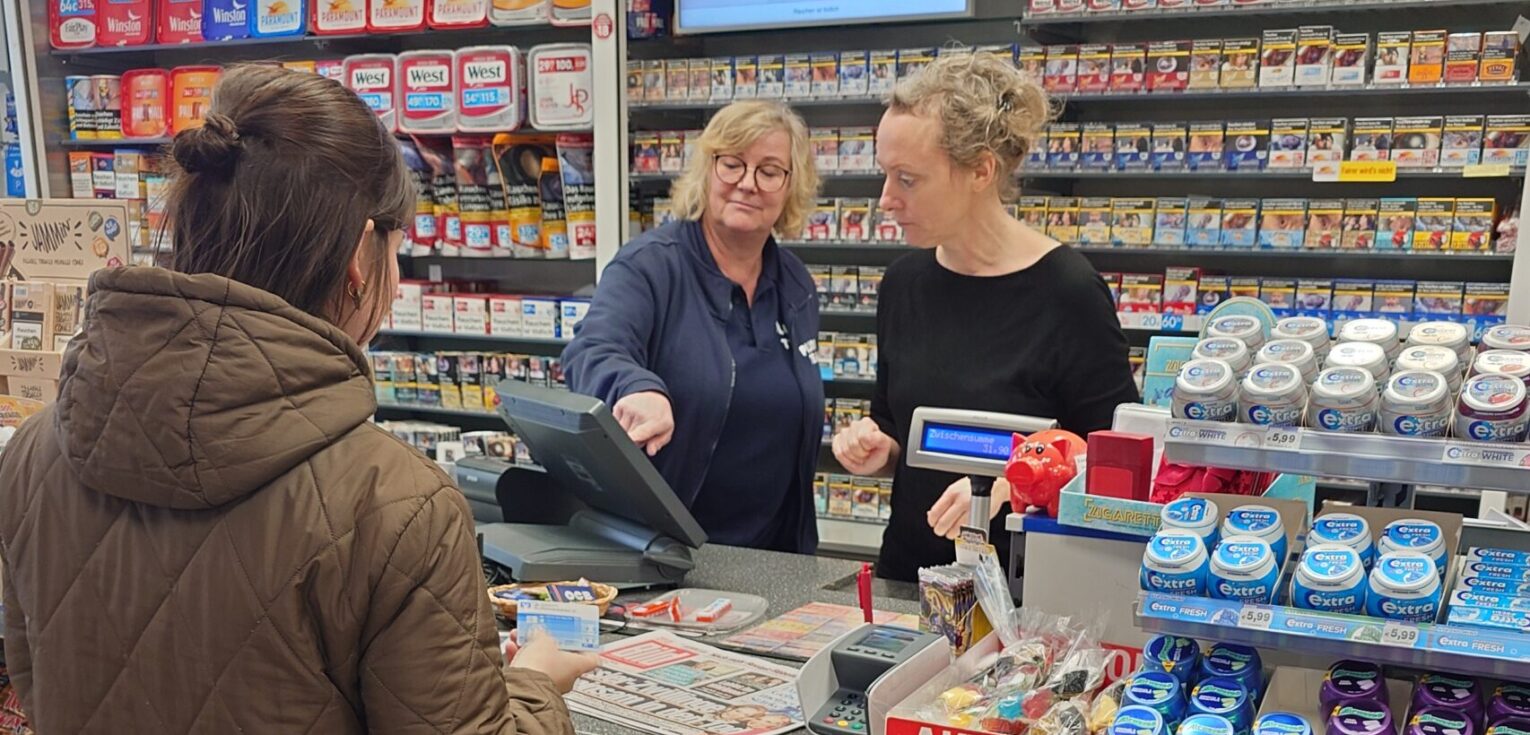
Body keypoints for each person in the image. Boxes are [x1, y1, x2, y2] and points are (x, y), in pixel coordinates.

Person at [0, 65, 597, 733]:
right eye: (396, 250)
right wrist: (537, 686)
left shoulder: (33, 451)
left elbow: (36, 683)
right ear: (358, 257)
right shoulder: (399, 503)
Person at [832, 51, 1140, 582]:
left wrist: (1015, 485)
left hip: (1027, 600)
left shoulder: (1068, 293)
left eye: (907, 179)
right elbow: (896, 426)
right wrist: (877, 448)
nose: (885, 200)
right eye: (885, 175)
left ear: (981, 170)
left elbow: (1114, 460)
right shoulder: (904, 283)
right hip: (909, 581)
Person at [563, 100, 824, 553]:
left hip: (778, 559)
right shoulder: (650, 267)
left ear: (790, 186)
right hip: (667, 553)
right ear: (707, 170)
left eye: (769, 170)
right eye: (732, 164)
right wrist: (636, 387)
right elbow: (593, 349)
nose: (747, 183)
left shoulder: (795, 284)